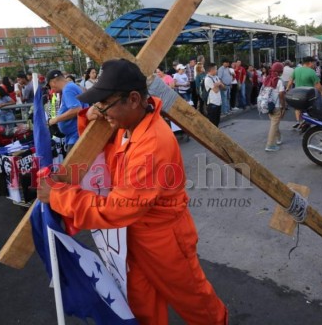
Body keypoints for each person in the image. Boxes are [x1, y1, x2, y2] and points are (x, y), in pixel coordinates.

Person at [37, 59, 227, 325]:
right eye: (98, 104)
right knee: (141, 306)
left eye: (105, 104)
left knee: (197, 305)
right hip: (130, 236)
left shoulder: (152, 143)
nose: (101, 111)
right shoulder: (128, 126)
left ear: (134, 99)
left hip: (163, 239)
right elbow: (105, 153)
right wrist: (88, 117)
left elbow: (118, 207)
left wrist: (58, 197)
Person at [46, 69, 88, 153]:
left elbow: (77, 109)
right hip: (74, 135)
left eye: (50, 86)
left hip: (76, 135)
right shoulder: (70, 87)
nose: (52, 89)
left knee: (73, 165)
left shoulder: (68, 89)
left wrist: (55, 120)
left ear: (53, 82)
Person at [286, 56, 322, 129]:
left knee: (298, 107)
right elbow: (317, 84)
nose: (314, 64)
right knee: (311, 107)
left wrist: (287, 89)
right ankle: (311, 121)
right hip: (308, 94)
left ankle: (299, 122)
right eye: (314, 63)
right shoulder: (311, 71)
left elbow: (291, 80)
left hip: (297, 93)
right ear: (310, 63)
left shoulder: (296, 70)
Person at [263, 62, 287, 152]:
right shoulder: (279, 81)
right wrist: (283, 107)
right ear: (280, 71)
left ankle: (279, 138)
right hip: (276, 106)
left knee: (274, 123)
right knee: (274, 125)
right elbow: (281, 95)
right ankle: (270, 145)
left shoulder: (267, 78)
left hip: (268, 105)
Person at [204, 62, 224, 127]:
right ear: (212, 70)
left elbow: (223, 87)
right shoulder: (207, 79)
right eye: (216, 69)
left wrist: (217, 84)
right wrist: (219, 84)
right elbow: (216, 90)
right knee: (213, 123)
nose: (217, 70)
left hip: (218, 102)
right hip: (212, 103)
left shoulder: (216, 77)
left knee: (217, 122)